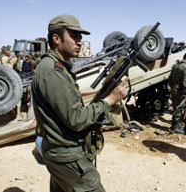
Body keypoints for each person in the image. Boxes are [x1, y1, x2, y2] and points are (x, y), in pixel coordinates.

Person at [31, 14, 128, 192]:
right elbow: (76, 119)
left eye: (80, 38)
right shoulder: (53, 72)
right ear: (56, 38)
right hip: (67, 156)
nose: (79, 42)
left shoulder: (56, 68)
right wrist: (110, 99)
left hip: (60, 152)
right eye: (74, 36)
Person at [168, 51, 186, 134]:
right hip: (180, 90)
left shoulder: (175, 65)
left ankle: (175, 124)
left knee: (175, 106)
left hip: (174, 88)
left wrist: (172, 87)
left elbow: (170, 78)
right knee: (179, 107)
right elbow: (185, 82)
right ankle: (176, 126)